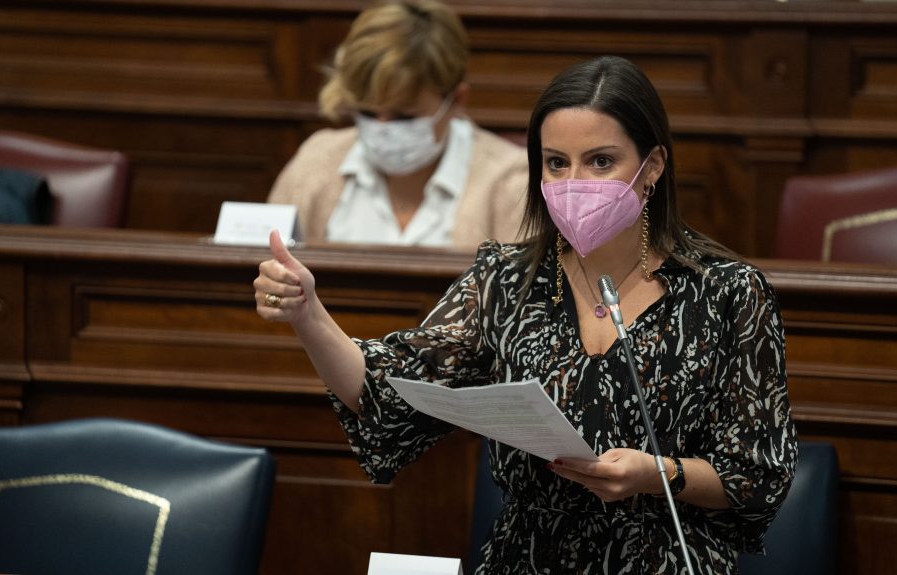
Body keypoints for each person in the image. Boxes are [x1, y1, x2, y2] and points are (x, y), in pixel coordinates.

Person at [254, 55, 797, 574]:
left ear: (652, 165)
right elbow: (384, 393)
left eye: (600, 161)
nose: (572, 182)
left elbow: (757, 473)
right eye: (556, 163)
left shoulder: (727, 293)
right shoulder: (507, 280)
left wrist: (657, 474)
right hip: (527, 558)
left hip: (665, 558)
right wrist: (309, 315)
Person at [267, 0, 527, 250]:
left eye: (404, 117)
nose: (382, 128)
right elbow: (263, 270)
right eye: (367, 112)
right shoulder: (315, 160)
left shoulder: (511, 181)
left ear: (457, 100)